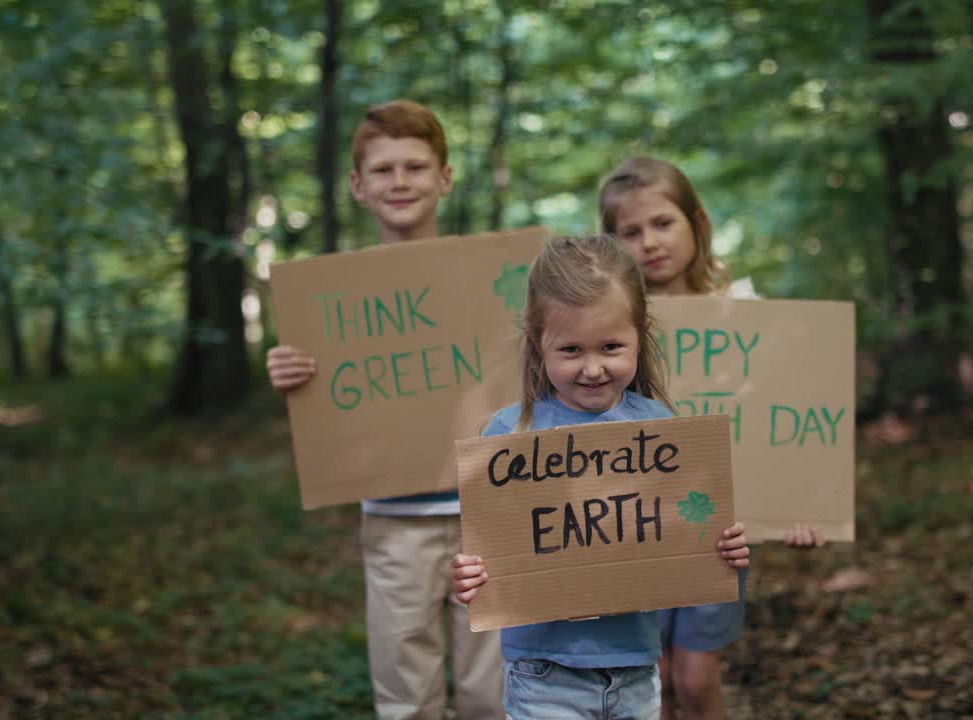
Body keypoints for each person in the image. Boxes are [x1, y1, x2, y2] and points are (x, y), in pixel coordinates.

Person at [266, 99, 503, 720]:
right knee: (406, 691)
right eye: (384, 170)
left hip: (491, 509)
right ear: (358, 186)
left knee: (495, 692)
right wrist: (290, 372)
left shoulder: (489, 277)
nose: (400, 182)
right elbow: (328, 396)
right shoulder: (333, 301)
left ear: (445, 178)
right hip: (396, 521)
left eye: (416, 167)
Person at [450, 235, 752, 719]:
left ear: (640, 333)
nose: (592, 369)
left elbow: (688, 535)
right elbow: (487, 553)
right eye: (570, 350)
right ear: (537, 343)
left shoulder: (662, 431)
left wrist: (724, 551)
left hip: (635, 669)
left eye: (611, 347)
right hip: (543, 673)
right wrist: (470, 577)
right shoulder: (509, 434)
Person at [598, 156, 822, 720]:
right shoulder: (609, 328)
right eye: (631, 231)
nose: (650, 242)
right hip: (640, 527)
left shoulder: (743, 316)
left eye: (663, 223)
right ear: (614, 242)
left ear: (695, 222)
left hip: (716, 530)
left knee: (696, 680)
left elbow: (784, 416)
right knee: (656, 680)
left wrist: (796, 504)